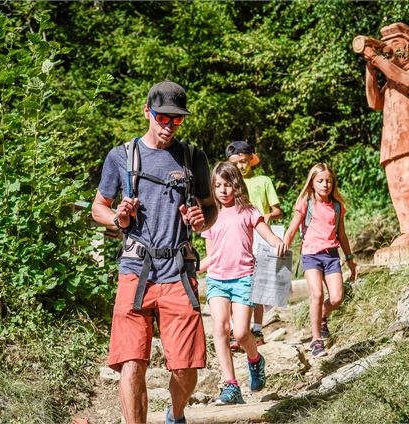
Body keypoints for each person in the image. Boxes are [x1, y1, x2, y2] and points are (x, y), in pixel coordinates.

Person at [91, 80, 217, 424]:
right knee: (132, 363)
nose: (169, 126)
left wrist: (201, 220)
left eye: (176, 120)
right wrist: (118, 218)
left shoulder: (193, 157)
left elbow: (210, 208)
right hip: (135, 268)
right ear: (147, 111)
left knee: (187, 367)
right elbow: (98, 208)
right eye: (162, 117)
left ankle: (175, 414)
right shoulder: (122, 156)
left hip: (178, 270)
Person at [200, 161, 286, 405]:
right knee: (220, 329)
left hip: (243, 278)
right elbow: (211, 255)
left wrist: (277, 242)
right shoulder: (210, 218)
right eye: (218, 186)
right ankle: (231, 385)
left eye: (228, 185)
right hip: (217, 280)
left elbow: (268, 236)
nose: (223, 190)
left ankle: (255, 360)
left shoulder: (248, 211)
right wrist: (192, 268)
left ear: (236, 185)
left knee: (241, 332)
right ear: (212, 189)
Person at [362, 22, 409, 247]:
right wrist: (371, 69)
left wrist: (378, 60)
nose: (388, 50)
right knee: (397, 187)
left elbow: (408, 81)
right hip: (392, 145)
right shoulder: (391, 83)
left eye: (394, 44)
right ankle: (407, 229)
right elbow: (374, 101)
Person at [283, 163, 357, 358]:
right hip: (310, 255)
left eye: (329, 181)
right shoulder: (305, 203)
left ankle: (322, 315)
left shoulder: (337, 206)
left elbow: (342, 234)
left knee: (337, 297)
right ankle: (316, 341)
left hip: (331, 255)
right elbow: (292, 229)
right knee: (316, 294)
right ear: (312, 183)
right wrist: (284, 246)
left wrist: (350, 259)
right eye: (321, 181)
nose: (325, 184)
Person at [225, 140, 282, 347]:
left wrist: (266, 216)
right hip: (237, 237)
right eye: (236, 163)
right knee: (233, 280)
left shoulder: (263, 181)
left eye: (243, 161)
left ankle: (257, 329)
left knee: (259, 282)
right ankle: (235, 330)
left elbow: (277, 210)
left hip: (260, 235)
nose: (241, 167)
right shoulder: (228, 184)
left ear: (251, 159)